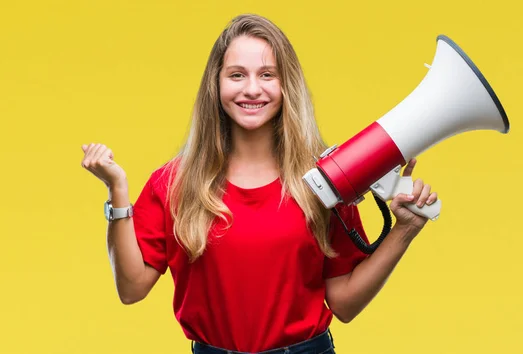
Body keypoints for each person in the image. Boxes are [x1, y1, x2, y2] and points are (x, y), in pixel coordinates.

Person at [80, 13, 438, 354]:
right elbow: (131, 289)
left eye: (268, 75)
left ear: (287, 85)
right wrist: (118, 193)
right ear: (216, 84)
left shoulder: (327, 179)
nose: (252, 89)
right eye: (237, 75)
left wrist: (403, 231)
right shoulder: (173, 183)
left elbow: (344, 303)